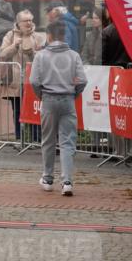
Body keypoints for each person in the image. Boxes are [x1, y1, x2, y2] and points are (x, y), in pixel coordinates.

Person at [30, 19, 87, 197]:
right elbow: (83, 80)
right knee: (67, 141)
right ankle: (67, 181)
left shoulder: (40, 56)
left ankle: (47, 178)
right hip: (68, 99)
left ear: (48, 35)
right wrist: (74, 93)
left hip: (48, 99)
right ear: (64, 35)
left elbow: (34, 81)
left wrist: (41, 95)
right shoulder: (74, 55)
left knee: (48, 140)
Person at [0, 10, 46, 138]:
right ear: (18, 23)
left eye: (30, 20)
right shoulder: (10, 35)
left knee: (34, 110)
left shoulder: (38, 37)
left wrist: (32, 53)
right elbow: (2, 54)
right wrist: (14, 46)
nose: (29, 23)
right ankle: (19, 138)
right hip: (15, 81)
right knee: (18, 111)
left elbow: (44, 57)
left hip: (33, 82)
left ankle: (36, 139)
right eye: (25, 21)